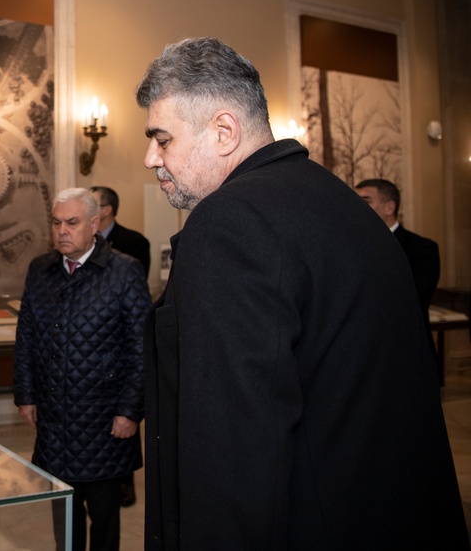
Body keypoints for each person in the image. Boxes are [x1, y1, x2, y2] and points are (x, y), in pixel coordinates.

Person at [136, 37, 468, 549]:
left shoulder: (229, 222)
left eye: (162, 138)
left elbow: (233, 449)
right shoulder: (338, 201)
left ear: (223, 131)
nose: (149, 158)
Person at [14, 188, 151, 551]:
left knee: (104, 520)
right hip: (55, 421)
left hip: (104, 423)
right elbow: (26, 335)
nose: (62, 231)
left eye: (72, 223)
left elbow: (141, 348)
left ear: (94, 224)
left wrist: (130, 409)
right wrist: (26, 396)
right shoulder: (41, 270)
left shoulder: (124, 271)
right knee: (64, 515)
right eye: (56, 223)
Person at [90, 185, 150, 509]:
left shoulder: (135, 244)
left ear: (107, 210)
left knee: (119, 442)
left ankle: (123, 486)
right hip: (90, 363)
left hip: (117, 357)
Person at [355, 178, 442, 377]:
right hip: (365, 360)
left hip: (407, 354)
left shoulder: (422, 249)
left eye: (366, 201)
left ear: (390, 207)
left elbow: (415, 300)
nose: (358, 206)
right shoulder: (353, 248)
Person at [90, 186, 151, 278]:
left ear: (107, 210)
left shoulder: (135, 241)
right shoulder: (84, 239)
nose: (86, 210)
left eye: (92, 205)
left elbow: (135, 279)